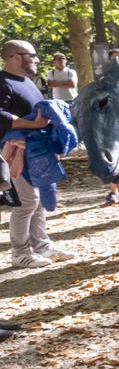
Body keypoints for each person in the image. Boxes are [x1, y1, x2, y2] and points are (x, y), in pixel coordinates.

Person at [0, 40, 73, 267]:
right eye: (32, 55)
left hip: (38, 150)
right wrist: (33, 125)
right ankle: (20, 253)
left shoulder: (28, 82)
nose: (37, 59)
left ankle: (42, 247)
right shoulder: (2, 82)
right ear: (16, 57)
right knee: (27, 202)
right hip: (15, 151)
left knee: (38, 200)